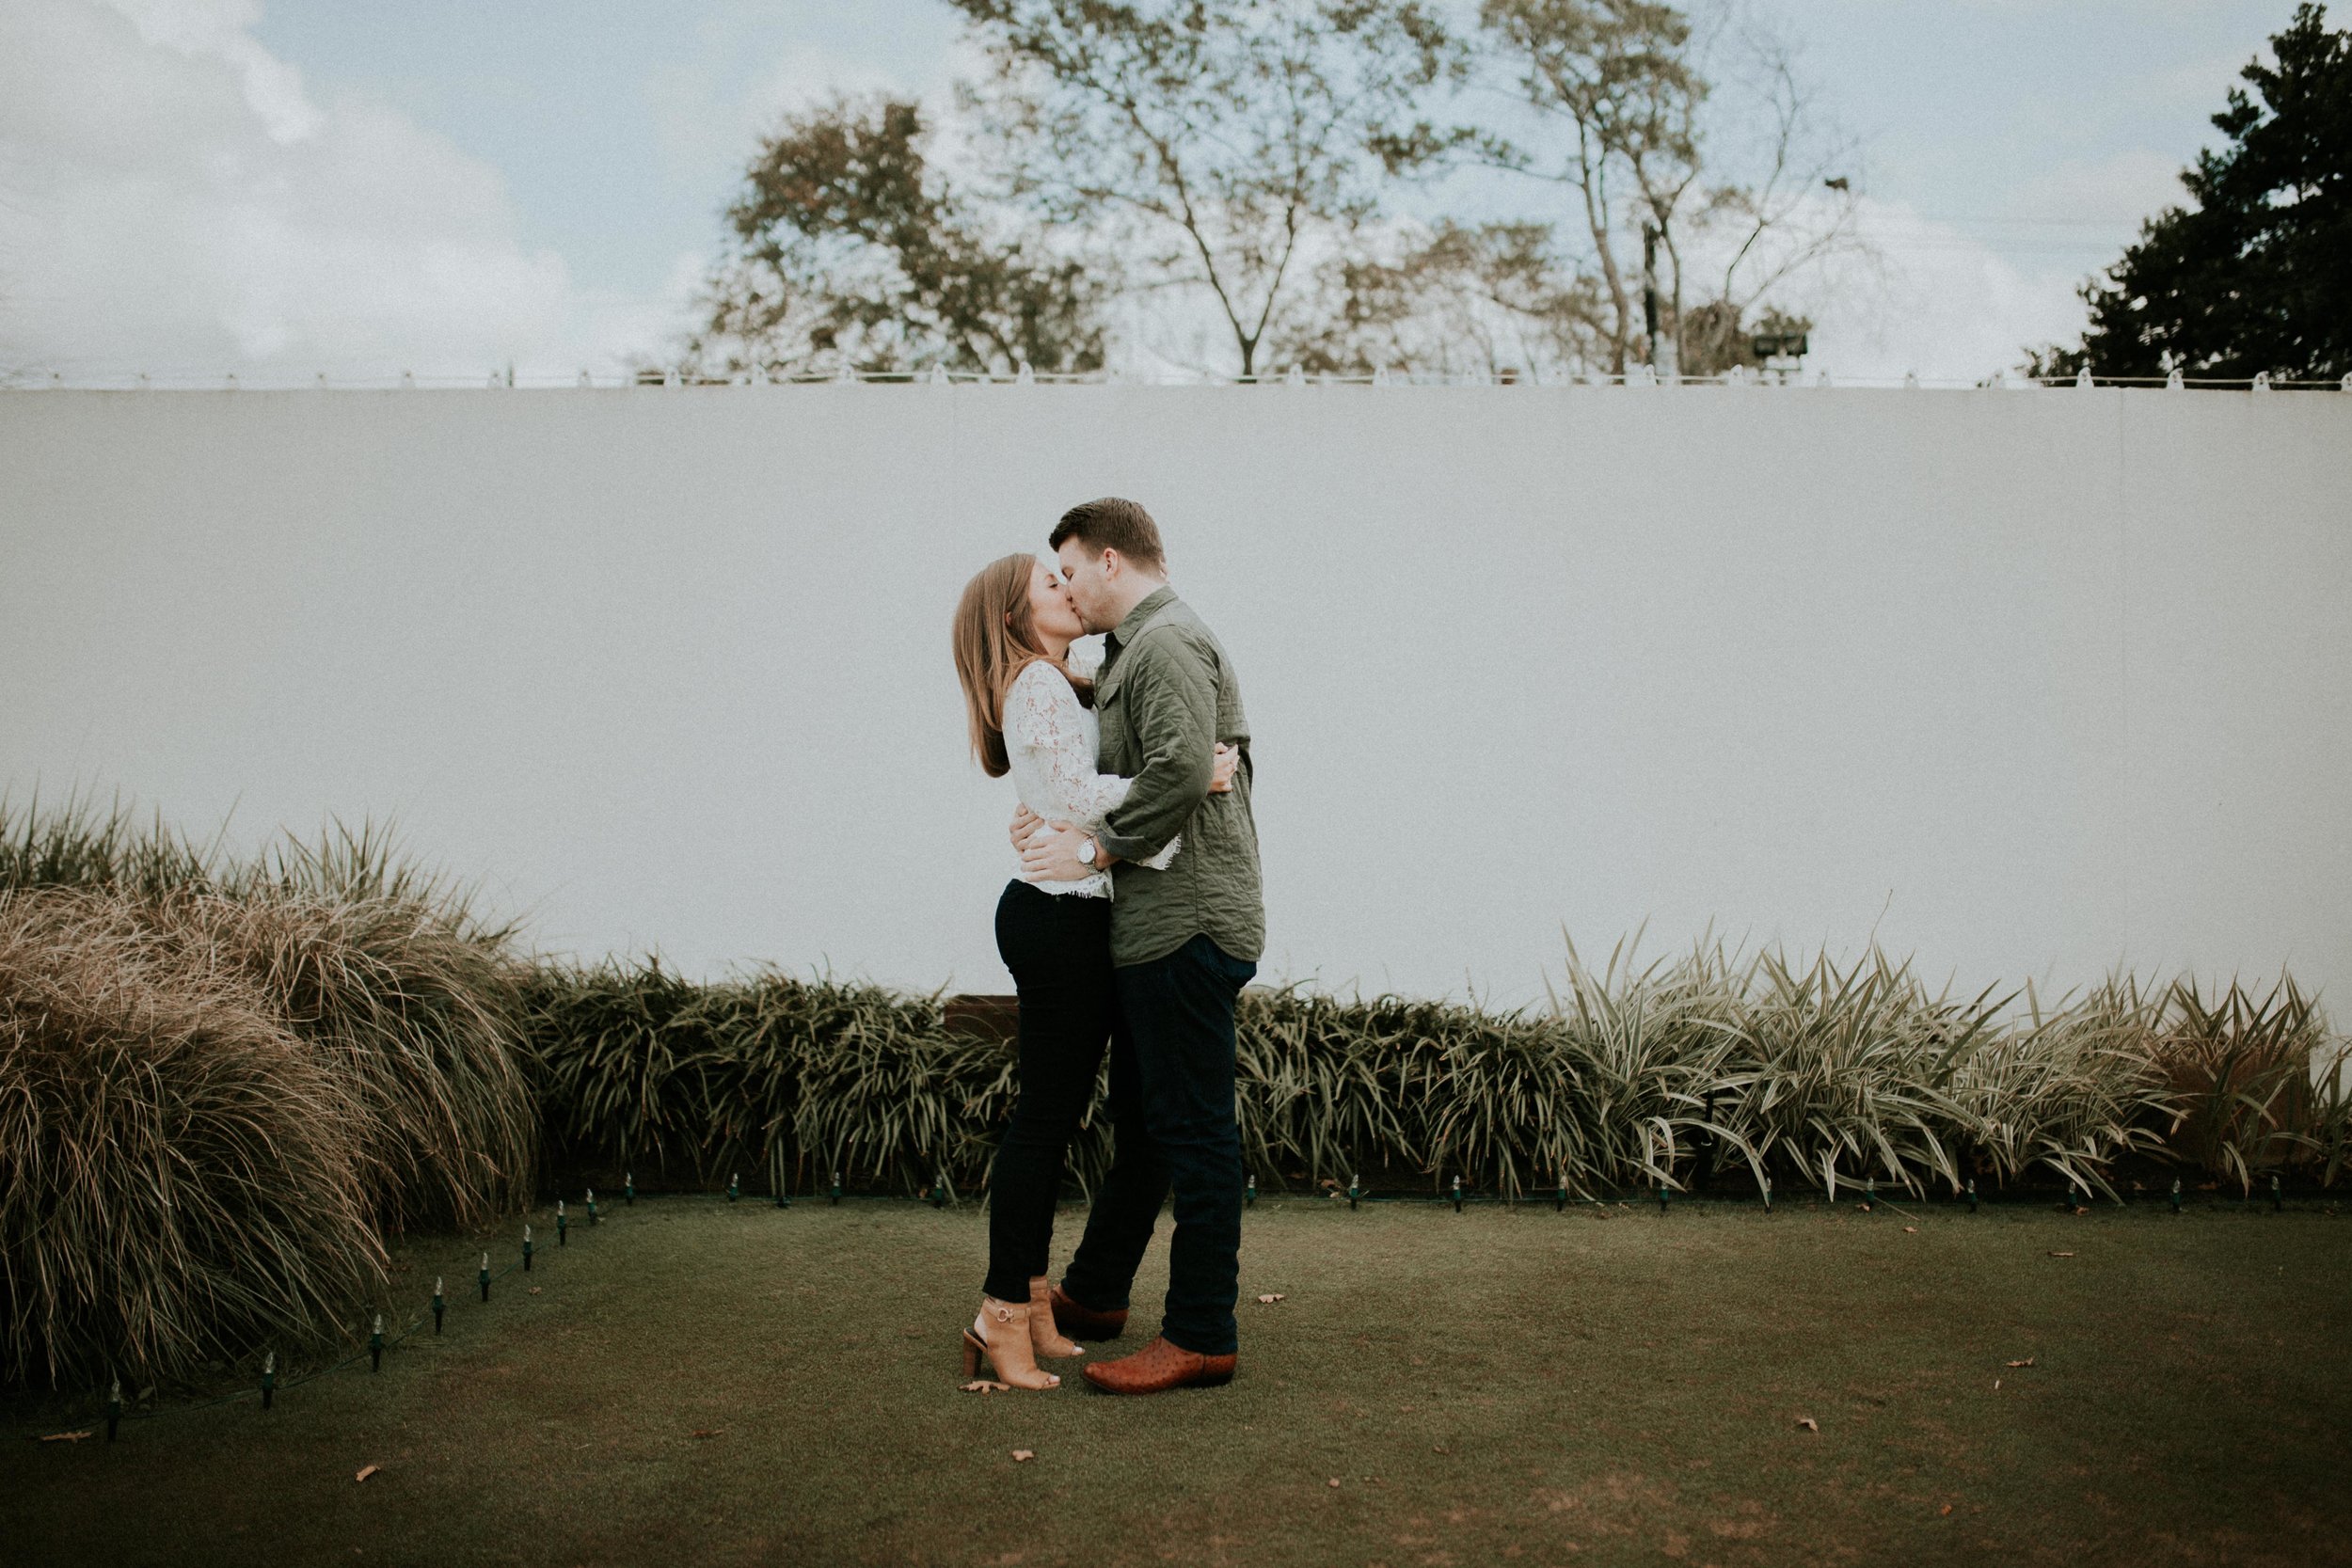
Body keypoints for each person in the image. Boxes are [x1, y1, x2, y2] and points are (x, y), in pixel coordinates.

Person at [947, 549, 1237, 1391]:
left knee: (1057, 1114)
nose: (1067, 589)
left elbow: (1054, 789)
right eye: (1049, 582)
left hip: (1070, 914)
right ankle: (1000, 1314)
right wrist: (1188, 781)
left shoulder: (1062, 681)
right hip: (1059, 920)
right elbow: (1077, 794)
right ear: (1013, 616)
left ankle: (1035, 1300)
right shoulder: (1038, 685)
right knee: (1043, 1120)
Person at [1014, 497, 1266, 1396]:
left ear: (1111, 560)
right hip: (1157, 922)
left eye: (1071, 570)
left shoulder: (1162, 643)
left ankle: (1202, 1331)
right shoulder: (1129, 652)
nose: (1069, 590)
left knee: (1192, 1131)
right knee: (1149, 1125)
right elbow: (1122, 760)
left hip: (1188, 919)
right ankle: (1098, 1291)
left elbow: (1173, 772)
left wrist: (1094, 846)